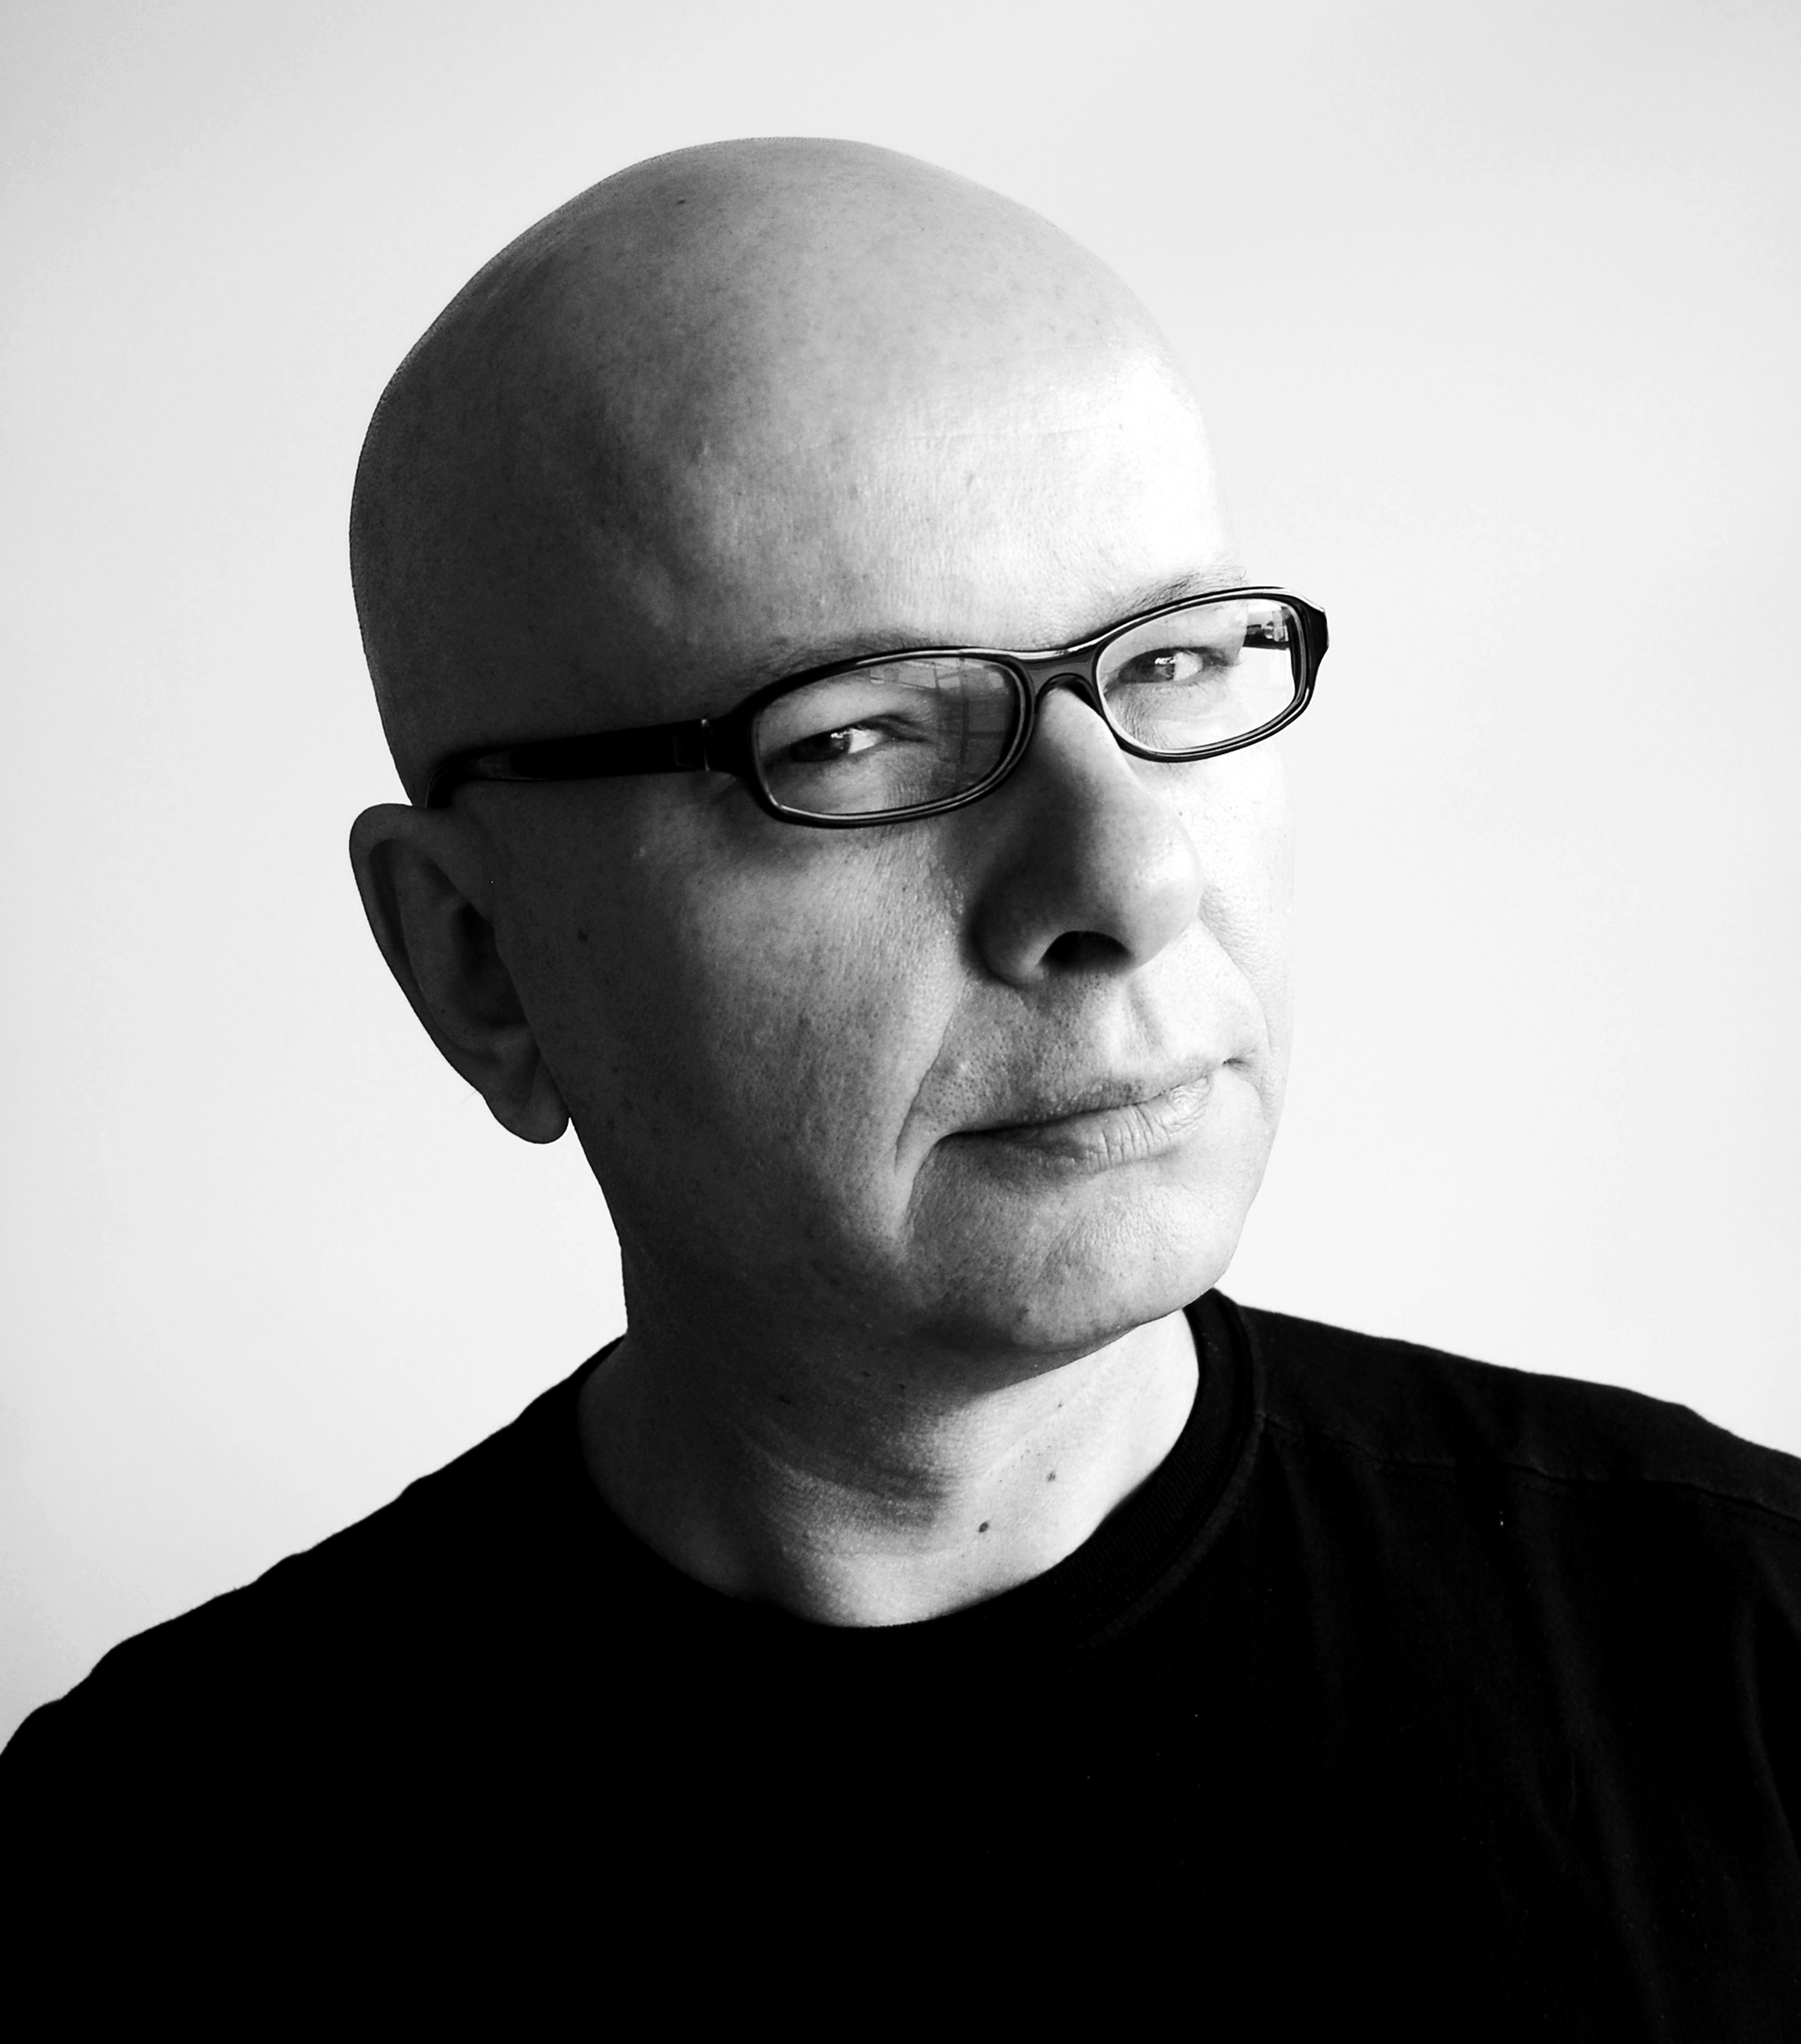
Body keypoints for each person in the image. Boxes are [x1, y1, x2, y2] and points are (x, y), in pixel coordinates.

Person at [4, 139, 1799, 2026]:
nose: (1131, 882)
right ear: (478, 960)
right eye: (856, 738)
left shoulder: (1761, 1683)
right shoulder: (140, 1884)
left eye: (1178, 663)